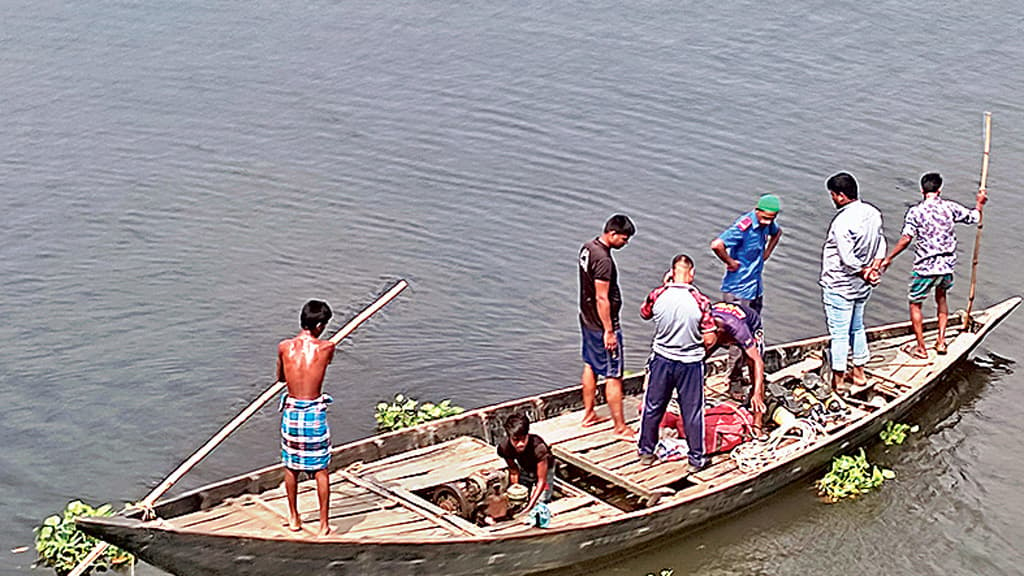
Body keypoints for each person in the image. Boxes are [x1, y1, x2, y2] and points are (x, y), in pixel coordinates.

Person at [881, 172, 987, 358]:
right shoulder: (949, 207)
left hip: (924, 268)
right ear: (939, 189)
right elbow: (974, 217)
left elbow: (906, 239)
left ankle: (921, 348)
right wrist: (979, 203)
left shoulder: (915, 212)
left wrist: (889, 258)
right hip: (946, 267)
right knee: (942, 298)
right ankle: (941, 340)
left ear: (922, 190)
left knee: (915, 304)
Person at [637, 254, 716, 470]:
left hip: (662, 359)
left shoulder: (658, 294)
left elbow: (645, 313)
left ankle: (646, 452)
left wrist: (664, 286)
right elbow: (710, 338)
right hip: (690, 363)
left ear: (671, 273)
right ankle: (696, 459)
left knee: (653, 406)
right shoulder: (700, 301)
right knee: (692, 411)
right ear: (691, 274)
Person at [820, 172, 886, 395]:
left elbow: (847, 259)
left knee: (839, 333)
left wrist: (864, 272)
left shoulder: (842, 222)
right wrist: (874, 269)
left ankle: (838, 380)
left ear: (840, 196)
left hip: (840, 286)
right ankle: (859, 373)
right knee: (857, 327)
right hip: (862, 287)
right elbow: (881, 243)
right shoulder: (872, 213)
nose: (832, 199)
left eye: (832, 195)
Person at [710, 194, 781, 394]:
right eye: (765, 217)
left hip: (755, 287)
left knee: (754, 333)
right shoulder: (744, 226)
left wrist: (767, 253)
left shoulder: (768, 224)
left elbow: (777, 233)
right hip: (738, 290)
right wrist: (730, 262)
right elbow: (717, 244)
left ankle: (753, 373)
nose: (768, 222)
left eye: (771, 218)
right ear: (757, 210)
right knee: (737, 338)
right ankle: (734, 379)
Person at [277, 300, 337, 536]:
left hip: (291, 412)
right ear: (320, 325)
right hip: (313, 413)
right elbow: (325, 363)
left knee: (291, 466)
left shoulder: (284, 347)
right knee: (321, 468)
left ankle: (294, 517)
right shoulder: (327, 348)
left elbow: (281, 378)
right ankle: (323, 525)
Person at [578, 214, 636, 441]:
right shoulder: (603, 260)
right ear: (612, 234)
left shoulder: (587, 248)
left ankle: (589, 413)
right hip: (602, 324)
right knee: (613, 375)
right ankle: (620, 427)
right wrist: (609, 331)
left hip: (587, 318)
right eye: (624, 238)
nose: (626, 243)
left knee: (590, 365)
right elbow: (602, 297)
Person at [706, 301, 766, 433]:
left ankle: (758, 424)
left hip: (749, 324)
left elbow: (758, 362)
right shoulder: (703, 321)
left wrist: (756, 394)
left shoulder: (739, 329)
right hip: (717, 327)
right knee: (697, 360)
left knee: (752, 366)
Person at [497, 413, 555, 516]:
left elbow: (542, 480)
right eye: (516, 440)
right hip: (525, 467)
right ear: (509, 437)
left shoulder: (539, 448)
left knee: (542, 500)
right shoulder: (504, 448)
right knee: (519, 497)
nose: (520, 444)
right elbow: (513, 470)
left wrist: (530, 506)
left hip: (545, 470)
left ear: (528, 435)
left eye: (523, 439)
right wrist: (515, 488)